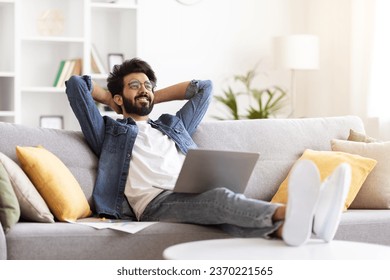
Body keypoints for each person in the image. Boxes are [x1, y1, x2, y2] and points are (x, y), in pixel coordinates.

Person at [65, 58, 351, 246]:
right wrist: (115, 102)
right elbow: (77, 86)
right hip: (155, 204)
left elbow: (204, 88)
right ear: (118, 97)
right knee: (221, 200)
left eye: (148, 84)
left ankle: (291, 230)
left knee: (223, 215)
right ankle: (309, 213)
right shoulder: (109, 132)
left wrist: (150, 95)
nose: (145, 89)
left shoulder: (171, 125)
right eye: (135, 85)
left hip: (190, 191)